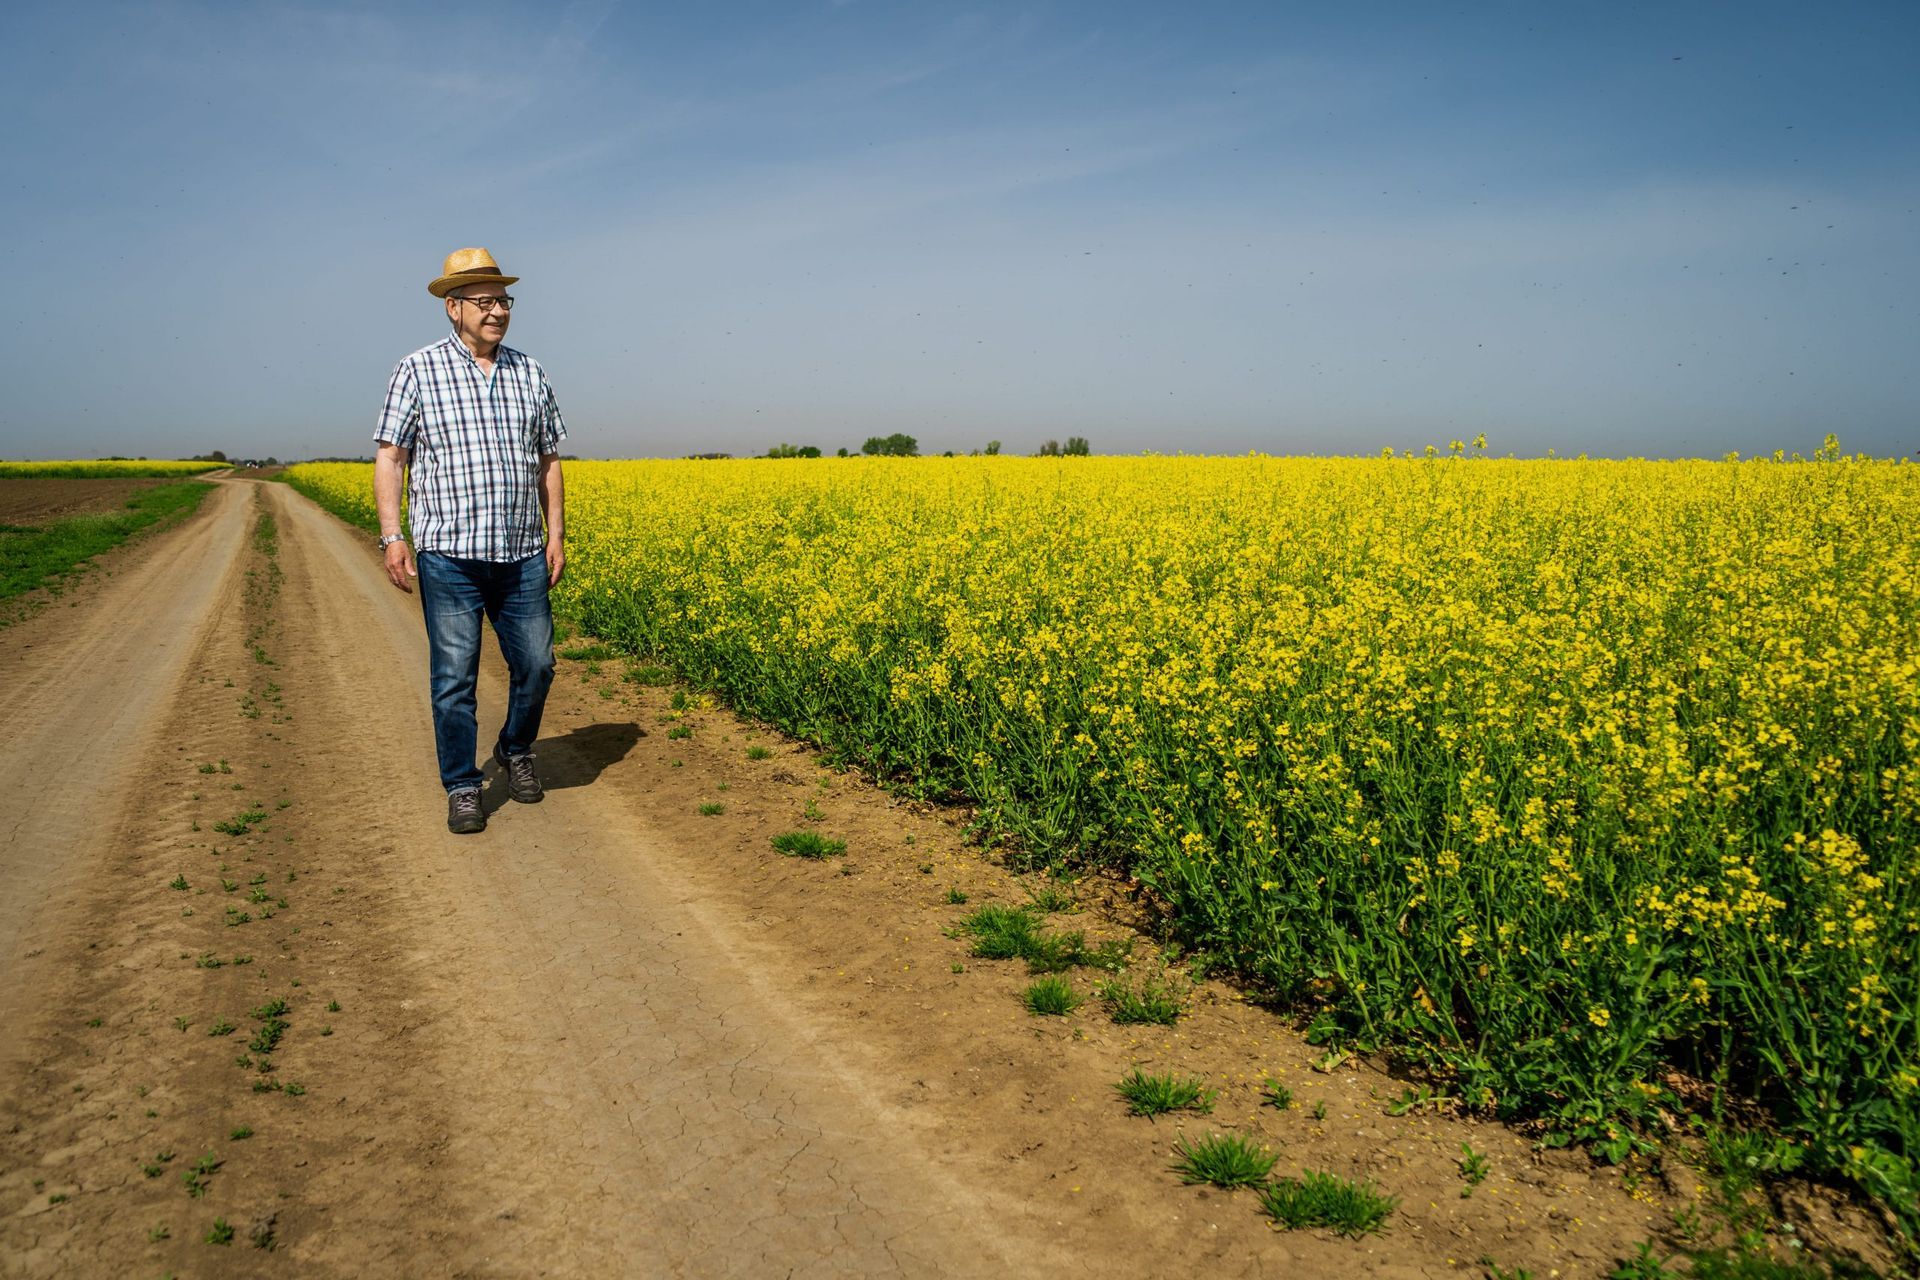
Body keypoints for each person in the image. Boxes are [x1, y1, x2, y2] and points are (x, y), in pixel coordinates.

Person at [372, 247, 567, 834]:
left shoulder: (530, 371)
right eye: (485, 302)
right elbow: (391, 456)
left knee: (538, 664)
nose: (498, 311)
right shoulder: (417, 369)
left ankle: (514, 748)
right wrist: (392, 536)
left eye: (504, 300)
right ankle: (461, 784)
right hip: (448, 553)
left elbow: (549, 458)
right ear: (453, 307)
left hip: (522, 552)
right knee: (454, 676)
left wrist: (556, 532)